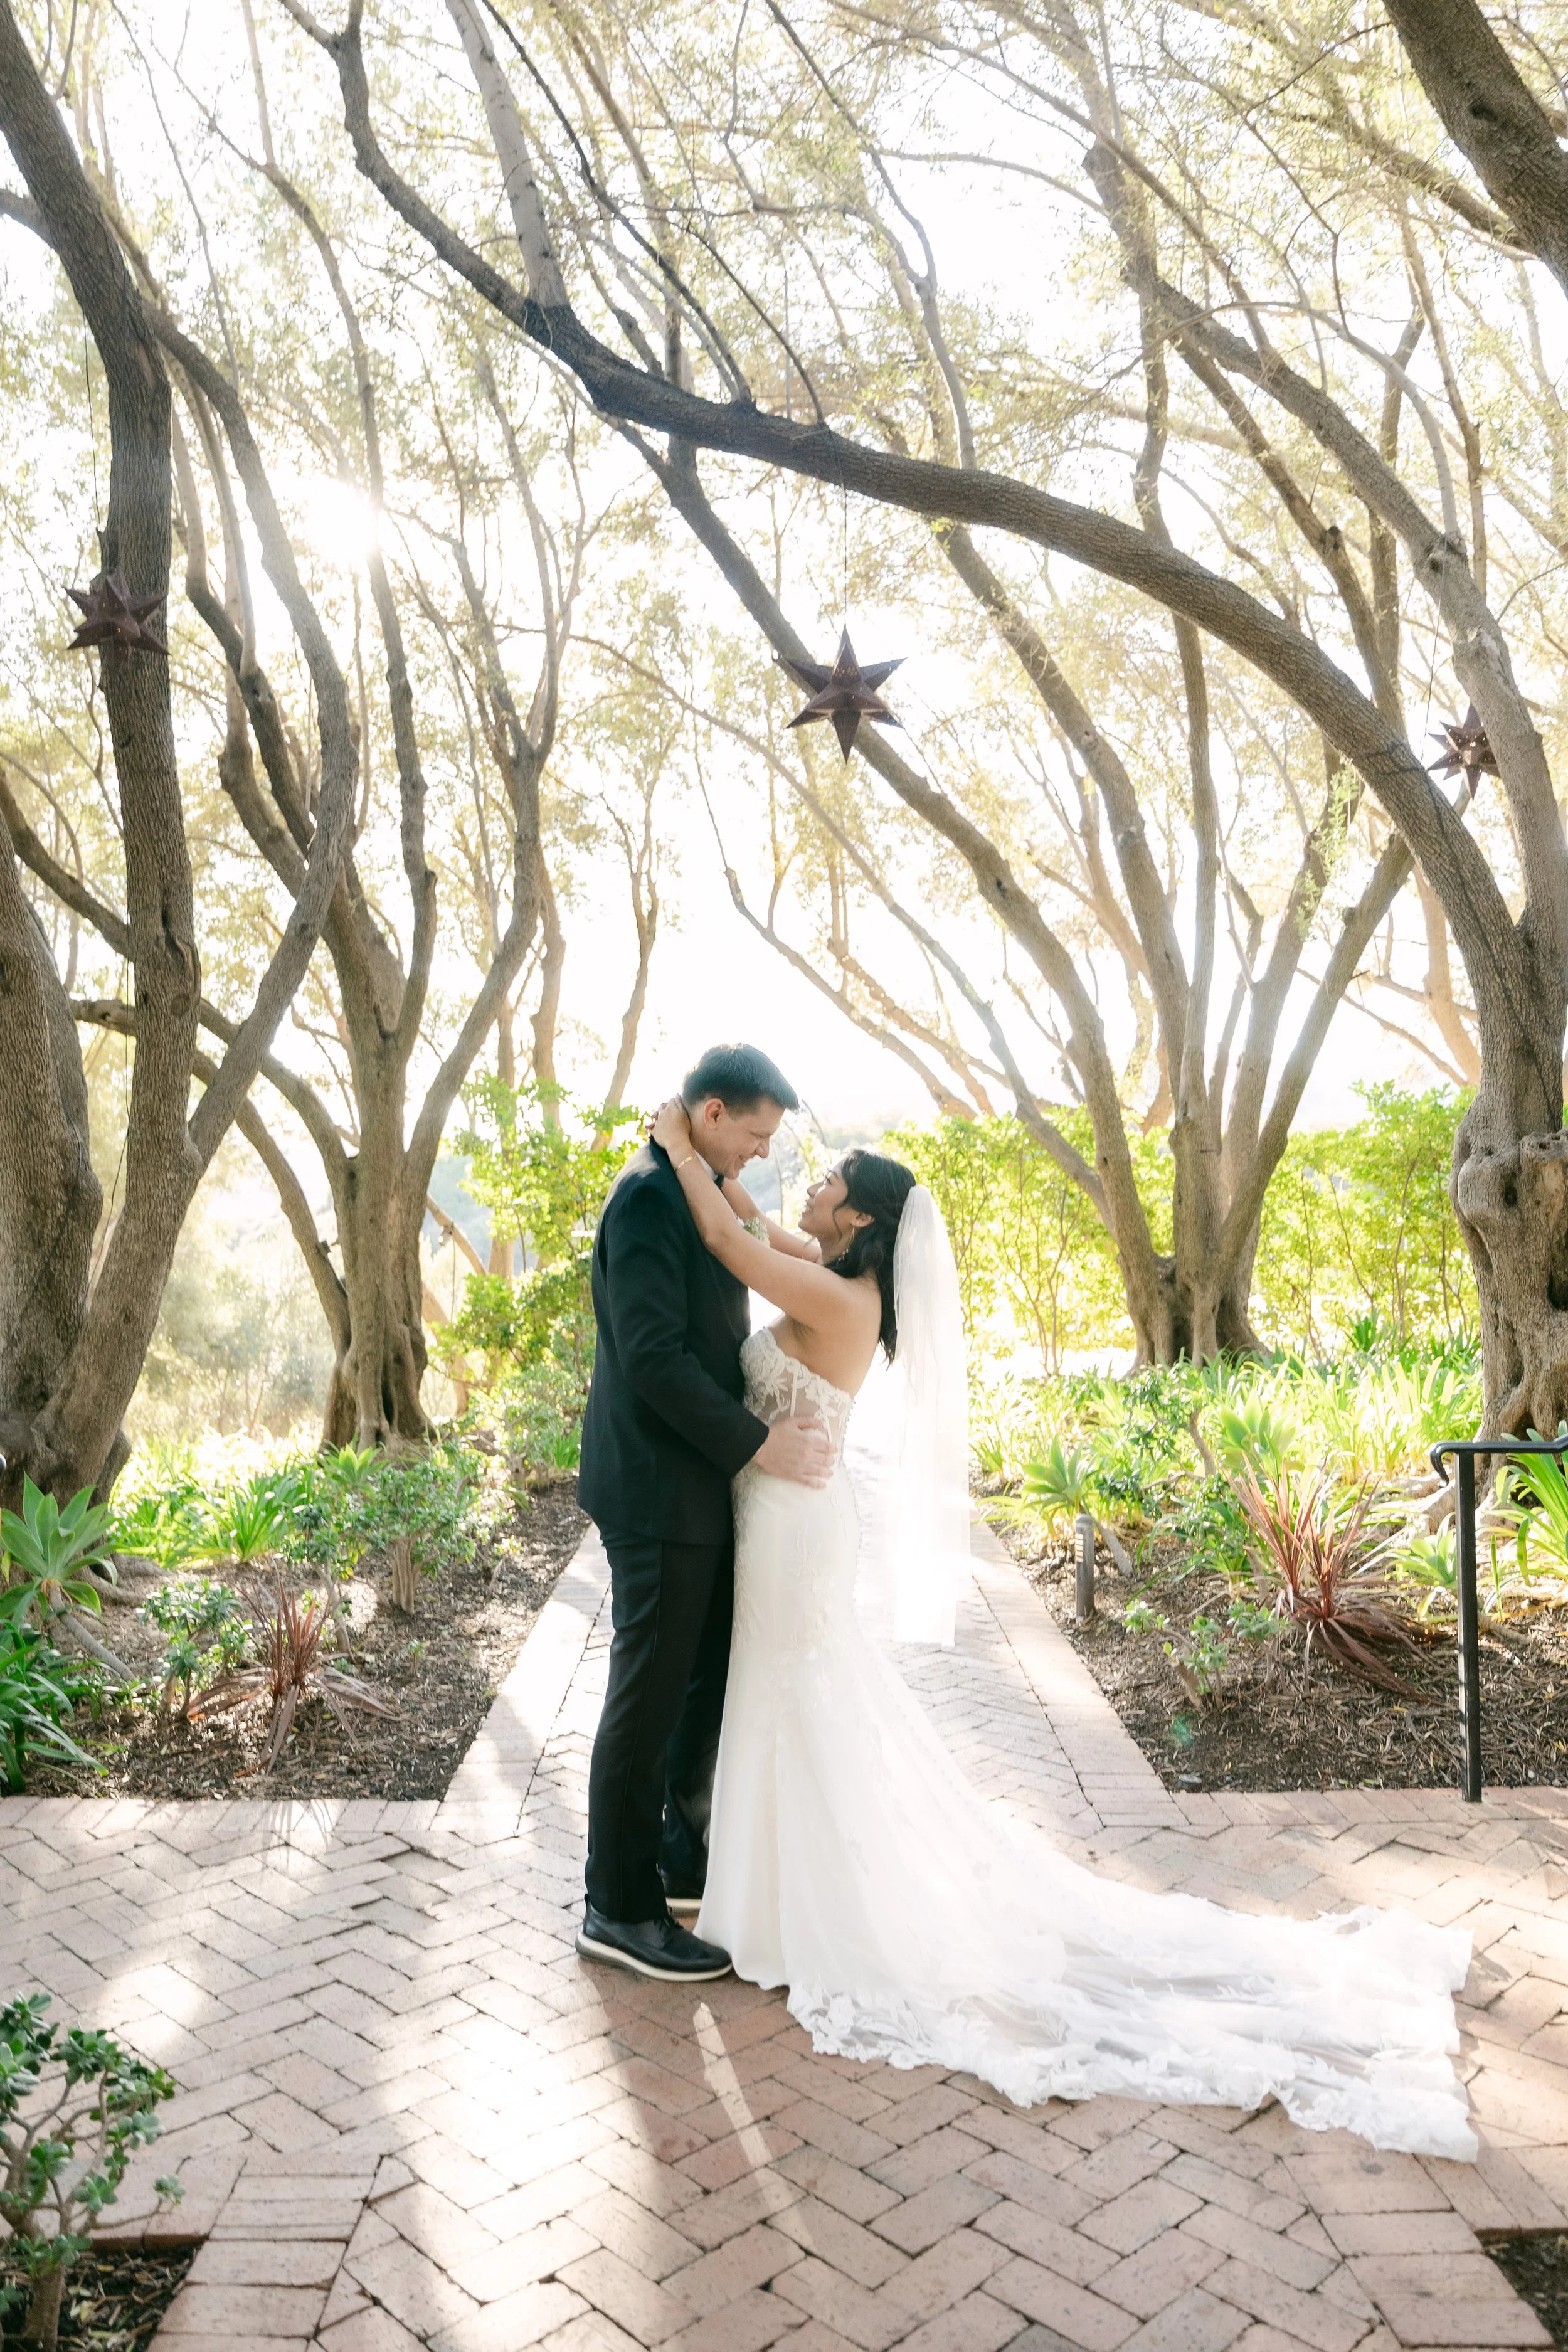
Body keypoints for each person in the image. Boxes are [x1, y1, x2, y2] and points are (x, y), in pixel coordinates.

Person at [640, 1094, 1478, 2159]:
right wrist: (728, 1166)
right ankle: (760, 1890)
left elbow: (726, 1234)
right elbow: (754, 1221)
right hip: (784, 1515)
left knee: (798, 1694)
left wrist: (678, 1145)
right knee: (785, 1696)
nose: (809, 1180)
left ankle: (787, 1903)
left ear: (858, 1221)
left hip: (795, 1527)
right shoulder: (834, 1265)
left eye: (830, 1176)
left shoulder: (842, 1297)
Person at [575, 1043, 834, 1983]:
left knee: (697, 1678)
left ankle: (679, 1857)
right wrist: (762, 1443)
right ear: (713, 1112)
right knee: (646, 1695)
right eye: (757, 1133)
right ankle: (619, 1903)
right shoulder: (648, 1195)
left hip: (697, 1484)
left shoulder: (704, 1184)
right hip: (654, 1488)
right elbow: (652, 1358)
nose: (763, 1153)